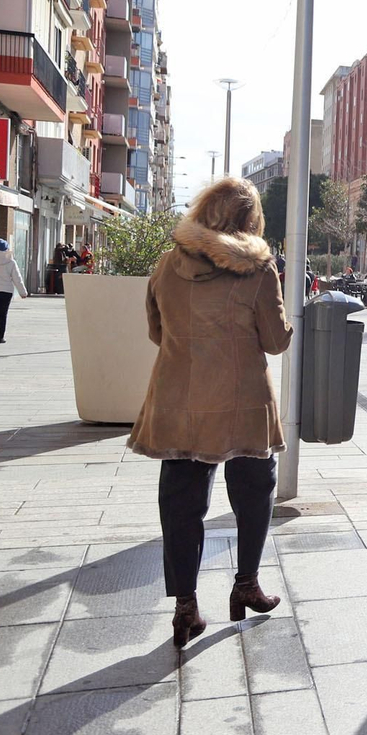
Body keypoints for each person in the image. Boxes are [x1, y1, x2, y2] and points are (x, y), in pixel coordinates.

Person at [128, 178, 291, 648]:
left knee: (181, 503)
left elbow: (156, 331)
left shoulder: (166, 265)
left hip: (178, 399)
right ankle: (246, 584)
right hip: (243, 401)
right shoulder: (258, 271)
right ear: (249, 221)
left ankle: (186, 607)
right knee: (254, 490)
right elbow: (276, 342)